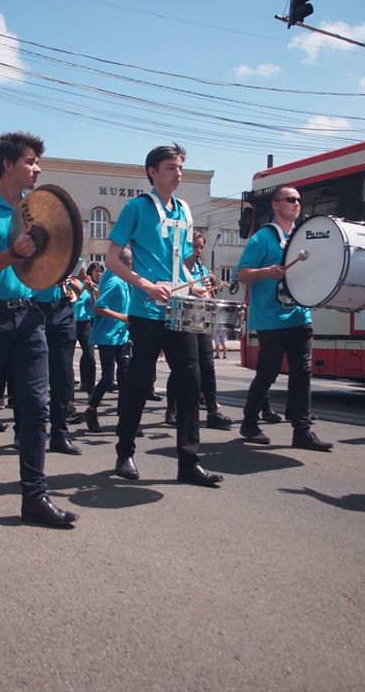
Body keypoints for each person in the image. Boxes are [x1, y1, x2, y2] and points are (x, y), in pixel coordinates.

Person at [0, 131, 78, 527]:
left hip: (29, 319)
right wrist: (11, 253)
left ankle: (35, 497)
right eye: (30, 161)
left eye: (38, 162)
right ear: (8, 164)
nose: (37, 169)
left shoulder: (38, 210)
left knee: (35, 408)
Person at [104, 143, 224, 487]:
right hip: (146, 310)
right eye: (171, 167)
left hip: (179, 308)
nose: (178, 173)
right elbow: (111, 259)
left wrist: (193, 286)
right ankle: (125, 452)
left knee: (190, 381)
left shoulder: (184, 209)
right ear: (153, 172)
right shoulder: (137, 207)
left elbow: (181, 262)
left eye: (180, 167)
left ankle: (189, 462)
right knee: (139, 382)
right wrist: (144, 284)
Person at [236, 186, 333, 451]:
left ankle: (302, 431)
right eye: (291, 199)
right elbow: (241, 274)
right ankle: (249, 422)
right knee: (268, 372)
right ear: (276, 205)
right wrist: (265, 272)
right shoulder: (262, 238)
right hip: (271, 318)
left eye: (299, 200)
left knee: (302, 373)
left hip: (300, 314)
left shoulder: (303, 238)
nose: (296, 203)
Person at [164, 230, 234, 430]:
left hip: (201, 323)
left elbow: (208, 299)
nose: (198, 251)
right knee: (181, 368)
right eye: (195, 246)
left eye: (201, 247)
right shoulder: (177, 269)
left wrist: (210, 289)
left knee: (208, 366)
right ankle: (172, 409)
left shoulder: (202, 270)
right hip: (182, 322)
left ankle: (212, 412)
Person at [83, 248, 132, 433]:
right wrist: (122, 317)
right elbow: (99, 307)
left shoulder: (123, 280)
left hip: (122, 336)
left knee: (125, 379)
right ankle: (91, 410)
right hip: (107, 337)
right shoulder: (114, 282)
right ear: (127, 264)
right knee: (108, 379)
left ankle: (124, 420)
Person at [34, 274, 83, 456]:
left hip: (63, 312)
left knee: (62, 378)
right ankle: (23, 431)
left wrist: (70, 281)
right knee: (30, 377)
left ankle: (59, 435)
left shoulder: (69, 259)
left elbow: (79, 289)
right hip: (36, 310)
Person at [75, 262, 102, 394]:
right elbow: (71, 300)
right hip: (69, 321)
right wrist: (82, 288)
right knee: (65, 359)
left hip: (84, 322)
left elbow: (93, 307)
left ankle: (91, 392)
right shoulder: (71, 283)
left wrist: (92, 292)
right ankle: (68, 396)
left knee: (90, 356)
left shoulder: (88, 285)